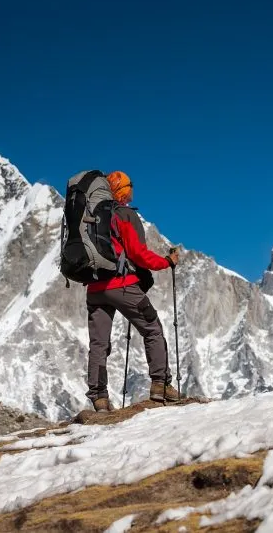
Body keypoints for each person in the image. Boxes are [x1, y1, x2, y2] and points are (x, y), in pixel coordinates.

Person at [85, 170, 181, 412]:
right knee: (152, 328)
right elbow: (138, 254)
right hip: (122, 285)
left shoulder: (89, 217)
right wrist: (166, 262)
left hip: (95, 288)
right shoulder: (124, 215)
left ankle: (99, 398)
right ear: (123, 192)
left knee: (98, 344)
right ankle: (160, 385)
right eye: (129, 187)